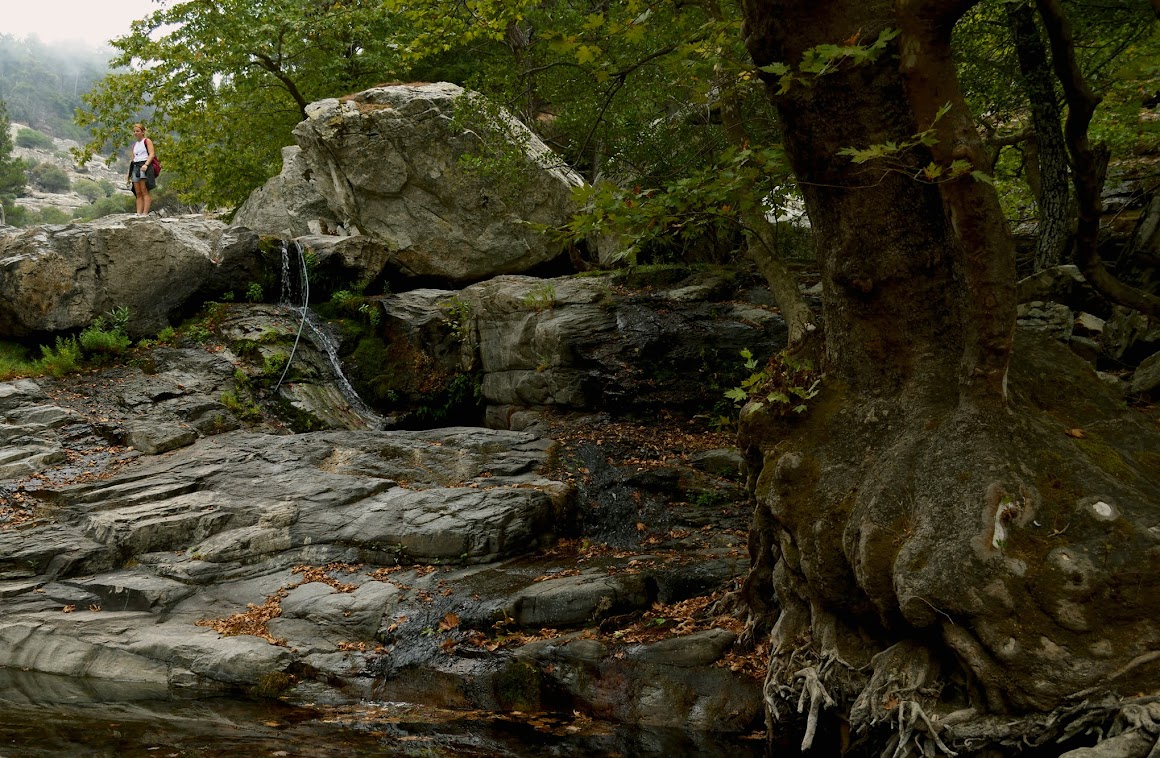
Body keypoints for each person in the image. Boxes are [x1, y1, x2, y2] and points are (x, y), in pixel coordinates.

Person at [127, 123, 156, 216]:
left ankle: (145, 213)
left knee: (144, 190)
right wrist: (129, 173)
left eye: (137, 131)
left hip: (144, 166)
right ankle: (138, 212)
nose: (135, 133)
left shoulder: (147, 141)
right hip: (136, 167)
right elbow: (133, 158)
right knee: (138, 192)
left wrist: (146, 165)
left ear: (143, 132)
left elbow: (151, 154)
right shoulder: (134, 145)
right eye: (134, 131)